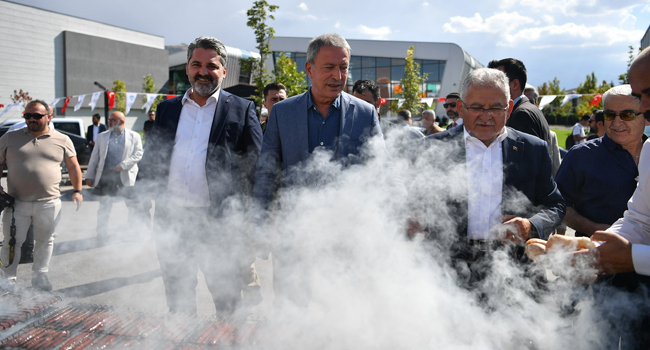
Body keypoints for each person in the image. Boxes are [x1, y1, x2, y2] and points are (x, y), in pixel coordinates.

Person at [253, 33, 383, 308]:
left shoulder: (365, 113)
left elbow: (381, 167)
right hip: (294, 235)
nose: (338, 75)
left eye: (344, 67)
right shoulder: (282, 112)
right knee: (292, 308)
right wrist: (259, 223)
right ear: (310, 68)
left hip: (346, 237)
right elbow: (267, 171)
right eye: (329, 67)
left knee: (341, 311)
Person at [140, 36, 263, 315]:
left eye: (211, 65)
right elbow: (153, 159)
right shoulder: (167, 109)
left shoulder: (242, 109)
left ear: (223, 71)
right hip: (172, 221)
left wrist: (255, 219)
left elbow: (257, 165)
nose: (203, 72)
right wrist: (139, 202)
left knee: (227, 299)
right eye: (197, 64)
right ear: (187, 68)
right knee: (179, 299)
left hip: (219, 223)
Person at [428, 68, 564, 288]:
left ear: (509, 109)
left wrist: (530, 225)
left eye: (495, 108)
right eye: (477, 108)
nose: (486, 115)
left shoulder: (533, 148)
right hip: (449, 270)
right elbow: (416, 203)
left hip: (514, 271)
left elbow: (555, 205)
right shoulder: (434, 148)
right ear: (461, 108)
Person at [0, 100, 83, 291]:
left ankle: (40, 275)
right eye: (27, 116)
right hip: (16, 202)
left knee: (45, 240)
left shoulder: (62, 140)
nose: (31, 119)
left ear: (49, 117)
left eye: (37, 116)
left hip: (49, 202)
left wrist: (78, 191)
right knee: (12, 241)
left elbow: (73, 166)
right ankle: (8, 280)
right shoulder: (10, 137)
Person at [556, 85, 647, 238]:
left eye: (627, 115)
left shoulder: (649, 152)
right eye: (610, 115)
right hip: (595, 255)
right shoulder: (581, 155)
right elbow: (558, 204)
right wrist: (594, 228)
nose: (617, 123)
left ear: (646, 117)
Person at [85, 111, 144, 239]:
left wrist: (123, 165)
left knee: (133, 206)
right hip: (107, 177)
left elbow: (138, 154)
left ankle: (135, 232)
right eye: (109, 120)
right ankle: (101, 234)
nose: (109, 122)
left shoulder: (134, 136)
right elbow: (94, 157)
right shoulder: (102, 136)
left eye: (113, 120)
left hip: (126, 176)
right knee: (104, 206)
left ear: (121, 122)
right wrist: (89, 175)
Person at [487, 58, 552, 147]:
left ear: (514, 85)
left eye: (497, 82)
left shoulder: (522, 114)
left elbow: (525, 157)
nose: (491, 87)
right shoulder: (529, 109)